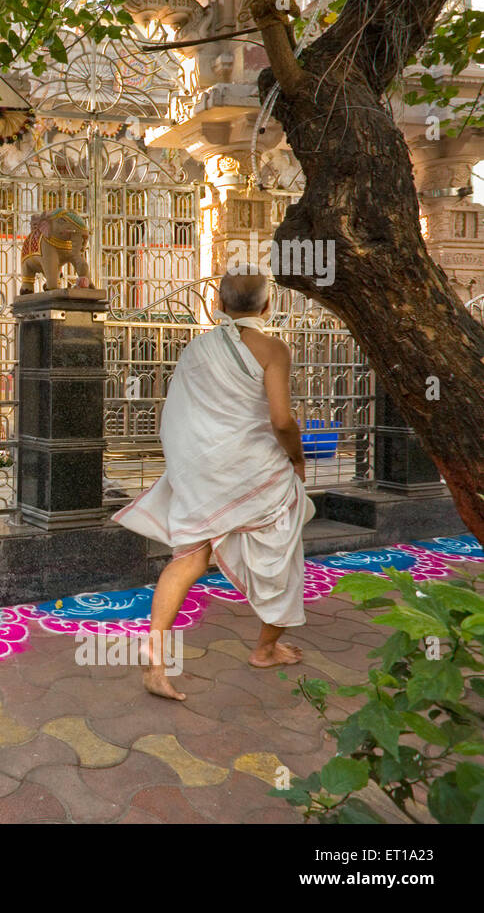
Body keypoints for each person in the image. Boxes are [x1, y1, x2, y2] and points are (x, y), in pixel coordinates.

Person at [113, 269, 314, 700]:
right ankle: (265, 649)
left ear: (218, 306)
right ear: (266, 307)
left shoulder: (196, 349)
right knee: (281, 556)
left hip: (204, 474)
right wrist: (297, 459)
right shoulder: (273, 348)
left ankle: (155, 664)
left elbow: (179, 417)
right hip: (258, 472)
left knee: (189, 558)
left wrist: (190, 467)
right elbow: (282, 420)